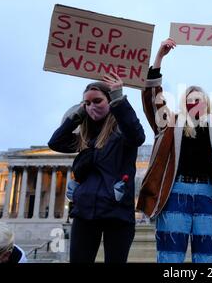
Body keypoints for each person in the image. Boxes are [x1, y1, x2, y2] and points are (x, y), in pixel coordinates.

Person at [136, 38, 212, 263]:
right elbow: (151, 101)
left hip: (208, 194)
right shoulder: (170, 124)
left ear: (207, 103)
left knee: (207, 257)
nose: (194, 104)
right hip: (175, 192)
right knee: (169, 257)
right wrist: (158, 58)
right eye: (189, 100)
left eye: (199, 100)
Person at [48, 72, 145, 263]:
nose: (92, 106)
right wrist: (79, 113)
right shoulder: (85, 138)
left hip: (117, 212)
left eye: (97, 101)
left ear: (110, 101)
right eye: (87, 103)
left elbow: (137, 136)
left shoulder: (122, 134)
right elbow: (56, 143)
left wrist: (118, 98)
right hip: (85, 211)